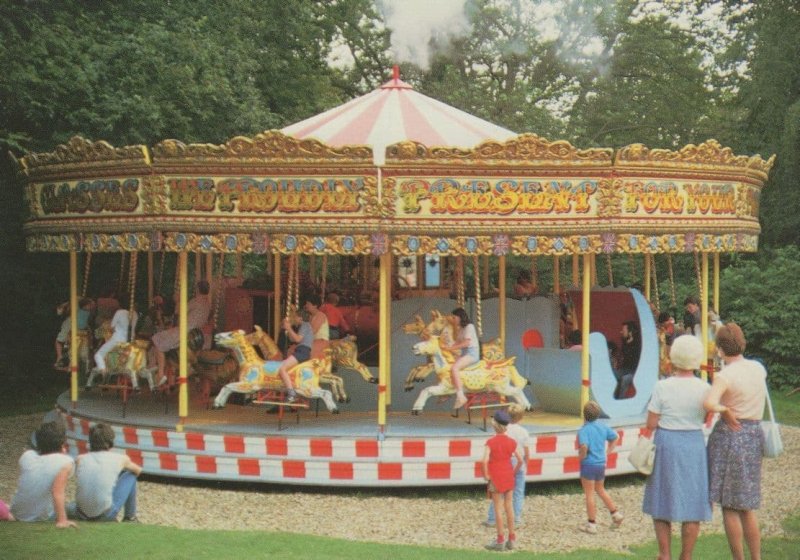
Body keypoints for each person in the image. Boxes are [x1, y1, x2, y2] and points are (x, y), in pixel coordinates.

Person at [642, 335, 712, 560]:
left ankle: (664, 554)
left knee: (662, 500)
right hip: (693, 443)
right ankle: (687, 555)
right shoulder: (704, 387)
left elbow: (651, 423)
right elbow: (705, 419)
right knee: (693, 503)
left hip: (667, 442)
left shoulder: (662, 386)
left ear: (673, 357)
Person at [703, 323, 767, 560]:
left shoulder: (725, 376)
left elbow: (709, 403)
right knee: (747, 505)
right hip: (753, 434)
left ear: (720, 349)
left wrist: (724, 410)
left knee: (730, 505)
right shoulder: (758, 368)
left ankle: (738, 558)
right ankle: (756, 557)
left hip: (731, 435)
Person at [69, 423, 141, 522]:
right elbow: (138, 470)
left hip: (80, 513)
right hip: (104, 515)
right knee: (131, 475)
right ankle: (130, 517)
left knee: (73, 503)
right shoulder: (120, 459)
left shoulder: (80, 459)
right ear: (111, 442)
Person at [10, 422, 76, 528]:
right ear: (62, 444)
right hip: (41, 517)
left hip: (17, 512)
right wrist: (62, 520)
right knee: (73, 507)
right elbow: (57, 493)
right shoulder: (65, 462)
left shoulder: (27, 456)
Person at [152, 280, 211, 386]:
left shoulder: (196, 301)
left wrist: (178, 301)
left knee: (157, 339)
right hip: (197, 333)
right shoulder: (207, 303)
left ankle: (161, 374)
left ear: (197, 289)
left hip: (186, 331)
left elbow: (179, 312)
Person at [577, 401, 623, 534]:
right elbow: (615, 437)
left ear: (584, 415)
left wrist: (581, 456)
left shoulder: (583, 431)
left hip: (588, 464)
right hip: (601, 463)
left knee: (589, 494)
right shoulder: (603, 427)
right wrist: (608, 452)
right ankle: (615, 513)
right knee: (601, 489)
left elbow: (584, 446)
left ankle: (591, 524)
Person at [482, 410, 523, 551]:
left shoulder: (490, 442)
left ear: (494, 425)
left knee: (497, 508)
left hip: (496, 476)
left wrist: (486, 475)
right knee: (509, 506)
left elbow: (484, 460)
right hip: (508, 476)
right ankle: (512, 539)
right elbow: (520, 459)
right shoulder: (512, 442)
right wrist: (514, 472)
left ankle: (500, 540)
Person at [484, 404, 530, 529]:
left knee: (498, 492)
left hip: (505, 463)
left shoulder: (504, 429)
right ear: (521, 417)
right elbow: (526, 451)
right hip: (519, 464)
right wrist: (527, 464)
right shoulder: (524, 432)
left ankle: (492, 519)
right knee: (518, 493)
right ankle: (516, 520)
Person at [91, 298, 138, 383]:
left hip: (118, 340)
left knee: (98, 355)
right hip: (130, 341)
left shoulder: (119, 312)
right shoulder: (134, 314)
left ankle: (103, 371)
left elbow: (112, 327)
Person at [442, 307, 479, 410]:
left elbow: (466, 343)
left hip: (472, 354)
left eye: (454, 317)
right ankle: (448, 392)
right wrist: (445, 346)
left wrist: (451, 348)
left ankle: (460, 396)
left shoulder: (469, 327)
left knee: (454, 368)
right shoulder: (461, 329)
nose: (453, 320)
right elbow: (457, 342)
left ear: (459, 317)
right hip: (464, 353)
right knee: (448, 366)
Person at [278, 309, 314, 403]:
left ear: (300, 318)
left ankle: (291, 394)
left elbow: (297, 339)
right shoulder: (304, 326)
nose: (294, 318)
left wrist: (289, 328)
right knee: (287, 370)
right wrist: (287, 328)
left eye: (295, 317)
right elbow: (293, 339)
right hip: (302, 351)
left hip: (302, 351)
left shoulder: (305, 325)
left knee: (282, 368)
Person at [54, 297, 94, 369]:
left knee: (80, 348)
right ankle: (60, 357)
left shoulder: (87, 310)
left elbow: (87, 320)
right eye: (88, 305)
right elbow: (59, 312)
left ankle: (70, 362)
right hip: (72, 324)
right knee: (60, 340)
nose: (89, 307)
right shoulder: (74, 307)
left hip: (80, 329)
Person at [615, 321, 640, 398]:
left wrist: (629, 343)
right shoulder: (625, 342)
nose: (621, 332)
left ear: (630, 332)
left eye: (624, 330)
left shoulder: (637, 344)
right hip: (625, 369)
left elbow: (632, 357)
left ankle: (620, 400)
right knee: (613, 374)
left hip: (635, 371)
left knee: (625, 379)